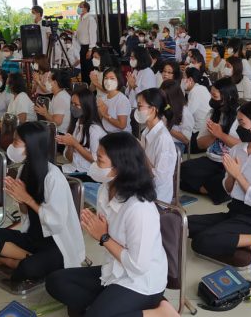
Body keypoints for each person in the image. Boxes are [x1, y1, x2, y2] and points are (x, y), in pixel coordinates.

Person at [46, 132, 174, 317]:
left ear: (119, 167)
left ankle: (159, 312)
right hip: (115, 270)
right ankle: (106, 308)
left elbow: (138, 266)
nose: (94, 165)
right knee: (56, 281)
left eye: (99, 160)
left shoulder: (140, 209)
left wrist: (103, 237)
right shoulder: (105, 190)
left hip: (142, 282)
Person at [0, 122, 85, 284]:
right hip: (31, 237)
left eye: (16, 142)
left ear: (31, 146)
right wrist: (20, 200)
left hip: (55, 243)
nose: (12, 146)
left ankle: (11, 261)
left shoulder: (53, 177)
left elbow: (56, 222)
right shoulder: (24, 170)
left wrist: (27, 199)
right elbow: (25, 214)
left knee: (25, 271)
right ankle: (27, 258)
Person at [188, 101, 251, 263]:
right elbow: (228, 190)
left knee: (201, 241)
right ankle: (250, 242)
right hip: (235, 212)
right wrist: (231, 175)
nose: (238, 127)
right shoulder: (238, 149)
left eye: (241, 123)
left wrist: (238, 175)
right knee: (186, 225)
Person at [180, 78, 241, 204]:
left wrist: (220, 134)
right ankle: (211, 189)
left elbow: (244, 146)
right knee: (183, 169)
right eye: (211, 95)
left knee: (221, 180)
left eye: (215, 96)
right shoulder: (212, 113)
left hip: (232, 162)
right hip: (212, 160)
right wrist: (213, 135)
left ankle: (213, 188)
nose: (212, 99)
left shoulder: (240, 117)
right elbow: (200, 143)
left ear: (227, 97)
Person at [136, 88, 178, 204]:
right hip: (143, 185)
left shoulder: (163, 139)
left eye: (140, 106)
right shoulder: (146, 131)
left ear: (153, 109)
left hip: (157, 197)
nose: (137, 110)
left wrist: (140, 153)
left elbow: (159, 179)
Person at [58, 87, 107, 180]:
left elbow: (96, 159)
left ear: (86, 106)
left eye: (76, 105)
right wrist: (70, 145)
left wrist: (75, 144)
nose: (73, 107)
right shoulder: (76, 124)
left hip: (87, 173)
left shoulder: (94, 129)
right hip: (73, 168)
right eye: (72, 104)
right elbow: (69, 158)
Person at [183, 67, 212, 153]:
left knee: (178, 143)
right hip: (202, 131)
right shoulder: (200, 88)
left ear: (190, 79)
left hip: (199, 133)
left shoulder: (195, 91)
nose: (182, 81)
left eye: (184, 78)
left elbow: (186, 114)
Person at [161, 79, 193, 155]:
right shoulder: (163, 105)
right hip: (161, 139)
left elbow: (186, 139)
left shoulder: (184, 112)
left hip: (175, 144)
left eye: (166, 97)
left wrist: (168, 128)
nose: (163, 99)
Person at [35, 69, 72, 135]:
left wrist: (45, 113)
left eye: (49, 79)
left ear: (55, 82)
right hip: (55, 131)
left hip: (60, 134)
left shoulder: (61, 98)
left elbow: (57, 122)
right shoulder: (57, 95)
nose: (46, 82)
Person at [97, 67, 132, 133]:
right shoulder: (102, 98)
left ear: (118, 80)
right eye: (106, 78)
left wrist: (106, 115)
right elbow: (101, 119)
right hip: (106, 133)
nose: (108, 81)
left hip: (121, 136)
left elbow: (122, 125)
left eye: (112, 78)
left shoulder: (122, 100)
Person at [125, 46, 157, 113]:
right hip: (131, 106)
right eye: (130, 57)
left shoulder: (148, 72)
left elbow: (147, 96)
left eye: (133, 57)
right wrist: (130, 85)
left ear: (140, 58)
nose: (130, 59)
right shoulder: (135, 71)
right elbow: (127, 93)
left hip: (142, 109)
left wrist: (133, 85)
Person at [75, 1, 98, 84]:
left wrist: (90, 49)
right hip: (83, 47)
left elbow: (92, 35)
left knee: (89, 69)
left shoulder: (90, 19)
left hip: (88, 47)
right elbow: (80, 33)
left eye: (80, 6)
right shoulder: (81, 20)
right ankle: (85, 86)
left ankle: (91, 89)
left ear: (85, 8)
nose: (78, 8)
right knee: (83, 69)